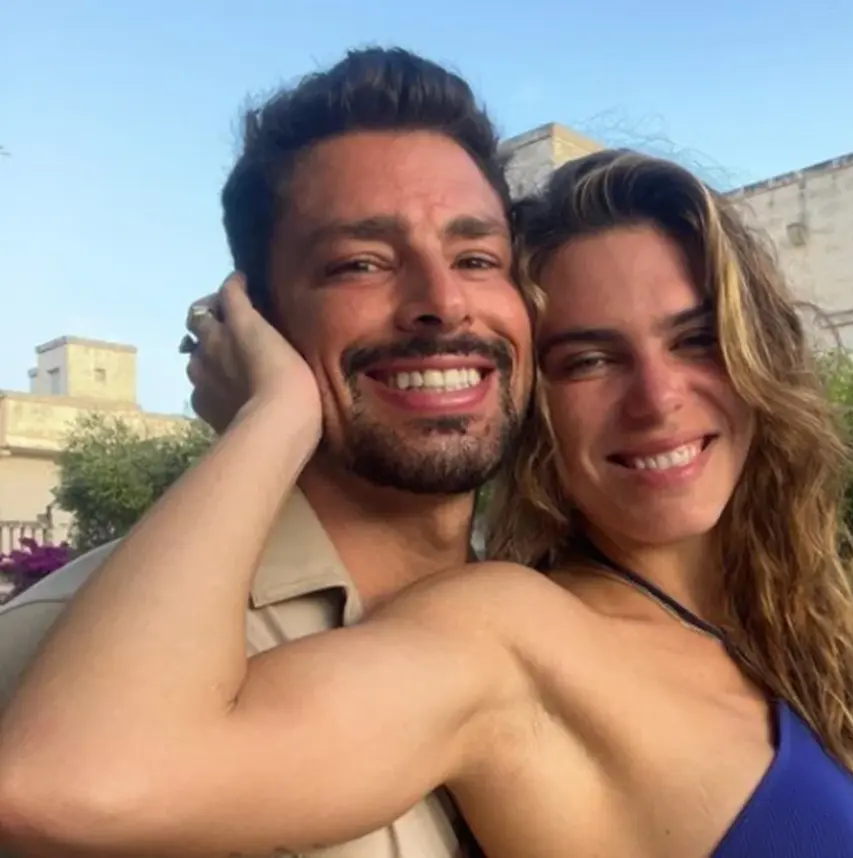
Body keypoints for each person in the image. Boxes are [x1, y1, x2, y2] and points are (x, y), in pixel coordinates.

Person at [0, 150, 853, 858]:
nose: (657, 398)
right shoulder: (505, 637)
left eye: (695, 340)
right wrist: (276, 414)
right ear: (528, 399)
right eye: (587, 360)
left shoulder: (789, 625)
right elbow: (70, 780)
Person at [0, 45, 529, 858]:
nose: (443, 301)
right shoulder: (62, 657)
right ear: (253, 319)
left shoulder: (558, 606)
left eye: (477, 259)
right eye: (360, 264)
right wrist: (275, 414)